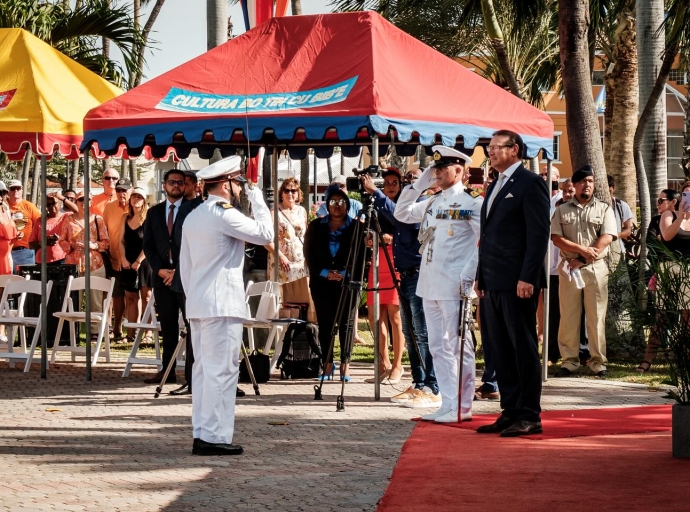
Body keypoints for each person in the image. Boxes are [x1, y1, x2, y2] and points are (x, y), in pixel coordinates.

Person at [180, 155, 273, 456]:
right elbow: (265, 234)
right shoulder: (223, 213)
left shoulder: (194, 215)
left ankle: (203, 432)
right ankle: (215, 436)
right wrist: (257, 197)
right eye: (238, 183)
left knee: (204, 371)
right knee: (222, 372)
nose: (240, 189)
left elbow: (185, 267)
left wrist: (195, 295)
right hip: (221, 304)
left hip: (199, 303)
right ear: (228, 183)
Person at [395, 146, 482, 423]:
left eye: (442, 169)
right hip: (429, 283)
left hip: (455, 284)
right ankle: (448, 402)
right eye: (435, 169)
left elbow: (485, 243)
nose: (437, 173)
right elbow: (402, 213)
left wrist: (468, 275)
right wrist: (419, 184)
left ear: (459, 171)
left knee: (458, 345)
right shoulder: (433, 202)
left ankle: (463, 406)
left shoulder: (472, 203)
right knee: (436, 346)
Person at [474, 130, 550, 437]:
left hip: (517, 280)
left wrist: (527, 277)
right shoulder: (495, 184)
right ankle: (510, 409)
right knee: (500, 348)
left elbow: (537, 234)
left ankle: (530, 413)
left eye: (495, 147)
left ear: (514, 150)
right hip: (493, 279)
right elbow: (489, 236)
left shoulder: (530, 184)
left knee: (522, 347)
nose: (490, 152)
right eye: (489, 147)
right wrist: (481, 275)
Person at [361, 168, 440, 407]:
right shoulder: (407, 204)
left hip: (419, 274)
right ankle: (418, 382)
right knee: (410, 332)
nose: (408, 184)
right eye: (406, 180)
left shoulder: (425, 203)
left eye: (412, 180)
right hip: (404, 274)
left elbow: (398, 217)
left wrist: (376, 193)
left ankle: (431, 385)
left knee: (422, 332)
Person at [551, 165, 617, 379]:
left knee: (596, 317)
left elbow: (607, 237)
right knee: (568, 316)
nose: (587, 185)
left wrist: (583, 259)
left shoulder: (604, 209)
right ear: (575, 185)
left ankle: (598, 362)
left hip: (595, 269)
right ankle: (569, 361)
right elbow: (556, 237)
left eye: (590, 181)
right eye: (583, 181)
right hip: (569, 269)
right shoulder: (562, 209)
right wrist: (579, 252)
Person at [305, 184, 362, 381]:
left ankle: (346, 365)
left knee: (346, 324)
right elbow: (309, 255)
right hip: (322, 282)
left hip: (348, 282)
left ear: (347, 204)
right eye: (332, 202)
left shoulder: (358, 227)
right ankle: (327, 365)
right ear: (327, 205)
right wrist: (325, 273)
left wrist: (345, 274)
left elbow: (363, 257)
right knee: (326, 323)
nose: (337, 206)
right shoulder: (315, 226)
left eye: (341, 202)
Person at [142, 169, 187, 385]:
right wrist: (159, 268)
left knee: (191, 325)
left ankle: (191, 374)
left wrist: (178, 270)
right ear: (164, 185)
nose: (176, 185)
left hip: (185, 276)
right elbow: (148, 244)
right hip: (161, 277)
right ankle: (167, 371)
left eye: (179, 182)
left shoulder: (191, 211)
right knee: (168, 327)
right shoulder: (154, 213)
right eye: (172, 182)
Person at [363, 168, 406, 386]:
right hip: (377, 259)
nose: (390, 186)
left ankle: (398, 364)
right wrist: (371, 239)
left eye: (394, 182)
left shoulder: (403, 203)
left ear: (400, 185)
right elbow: (368, 231)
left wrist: (389, 238)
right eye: (386, 182)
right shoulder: (374, 204)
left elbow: (399, 219)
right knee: (374, 314)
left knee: (395, 316)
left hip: (395, 259)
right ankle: (384, 363)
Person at [636, 189, 680, 372]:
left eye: (662, 200)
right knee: (661, 317)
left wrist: (668, 238)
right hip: (665, 271)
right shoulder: (656, 220)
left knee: (687, 320)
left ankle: (682, 361)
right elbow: (655, 242)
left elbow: (666, 240)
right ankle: (647, 360)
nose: (658, 203)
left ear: (673, 202)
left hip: (687, 270)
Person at [59, 191, 110, 338]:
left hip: (95, 265)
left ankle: (95, 332)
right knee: (74, 300)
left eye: (86, 200)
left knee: (95, 301)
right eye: (80, 199)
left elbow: (106, 243)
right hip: (74, 265)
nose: (83, 202)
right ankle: (73, 332)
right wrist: (72, 245)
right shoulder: (68, 220)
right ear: (76, 201)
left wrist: (93, 245)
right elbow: (62, 241)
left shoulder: (97, 220)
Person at [264, 177, 314, 320]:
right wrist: (281, 256)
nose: (290, 193)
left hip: (301, 263)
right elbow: (267, 239)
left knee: (303, 299)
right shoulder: (274, 212)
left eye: (294, 190)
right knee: (281, 300)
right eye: (287, 190)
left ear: (298, 193)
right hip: (281, 264)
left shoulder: (302, 211)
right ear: (281, 193)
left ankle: (302, 333)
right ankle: (280, 334)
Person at [119, 187, 153, 344]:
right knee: (131, 298)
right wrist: (124, 259)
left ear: (144, 200)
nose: (136, 199)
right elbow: (120, 241)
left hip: (145, 262)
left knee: (146, 297)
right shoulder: (125, 218)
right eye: (134, 196)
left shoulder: (149, 218)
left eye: (139, 197)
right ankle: (131, 334)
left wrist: (139, 261)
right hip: (127, 262)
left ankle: (148, 333)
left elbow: (150, 242)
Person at [103, 178, 132, 340]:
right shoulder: (109, 207)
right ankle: (117, 329)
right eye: (119, 190)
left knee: (134, 296)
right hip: (114, 258)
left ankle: (133, 331)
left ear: (131, 190)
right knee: (117, 295)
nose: (121, 193)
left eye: (124, 190)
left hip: (133, 261)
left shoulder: (137, 206)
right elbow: (105, 232)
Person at [7, 180, 40, 272]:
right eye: (13, 189)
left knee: (25, 281)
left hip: (25, 251)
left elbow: (39, 225)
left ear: (22, 190)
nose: (16, 191)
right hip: (5, 251)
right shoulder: (3, 206)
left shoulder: (29, 206)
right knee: (6, 282)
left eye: (18, 188)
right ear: (8, 191)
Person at [29, 194, 71, 265]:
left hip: (61, 259)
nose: (51, 206)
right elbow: (31, 244)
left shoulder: (66, 218)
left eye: (54, 203)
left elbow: (78, 211)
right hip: (42, 261)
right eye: (48, 204)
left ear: (60, 203)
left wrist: (63, 198)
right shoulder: (40, 221)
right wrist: (43, 242)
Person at [608, 175, 634, 263]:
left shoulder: (621, 205)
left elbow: (628, 230)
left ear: (613, 189)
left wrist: (613, 236)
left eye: (610, 191)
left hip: (618, 250)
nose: (608, 194)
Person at [0, 182, 18, 274]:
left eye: (2, 193)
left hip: (7, 257)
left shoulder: (6, 210)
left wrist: (18, 235)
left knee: (6, 285)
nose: (0, 196)